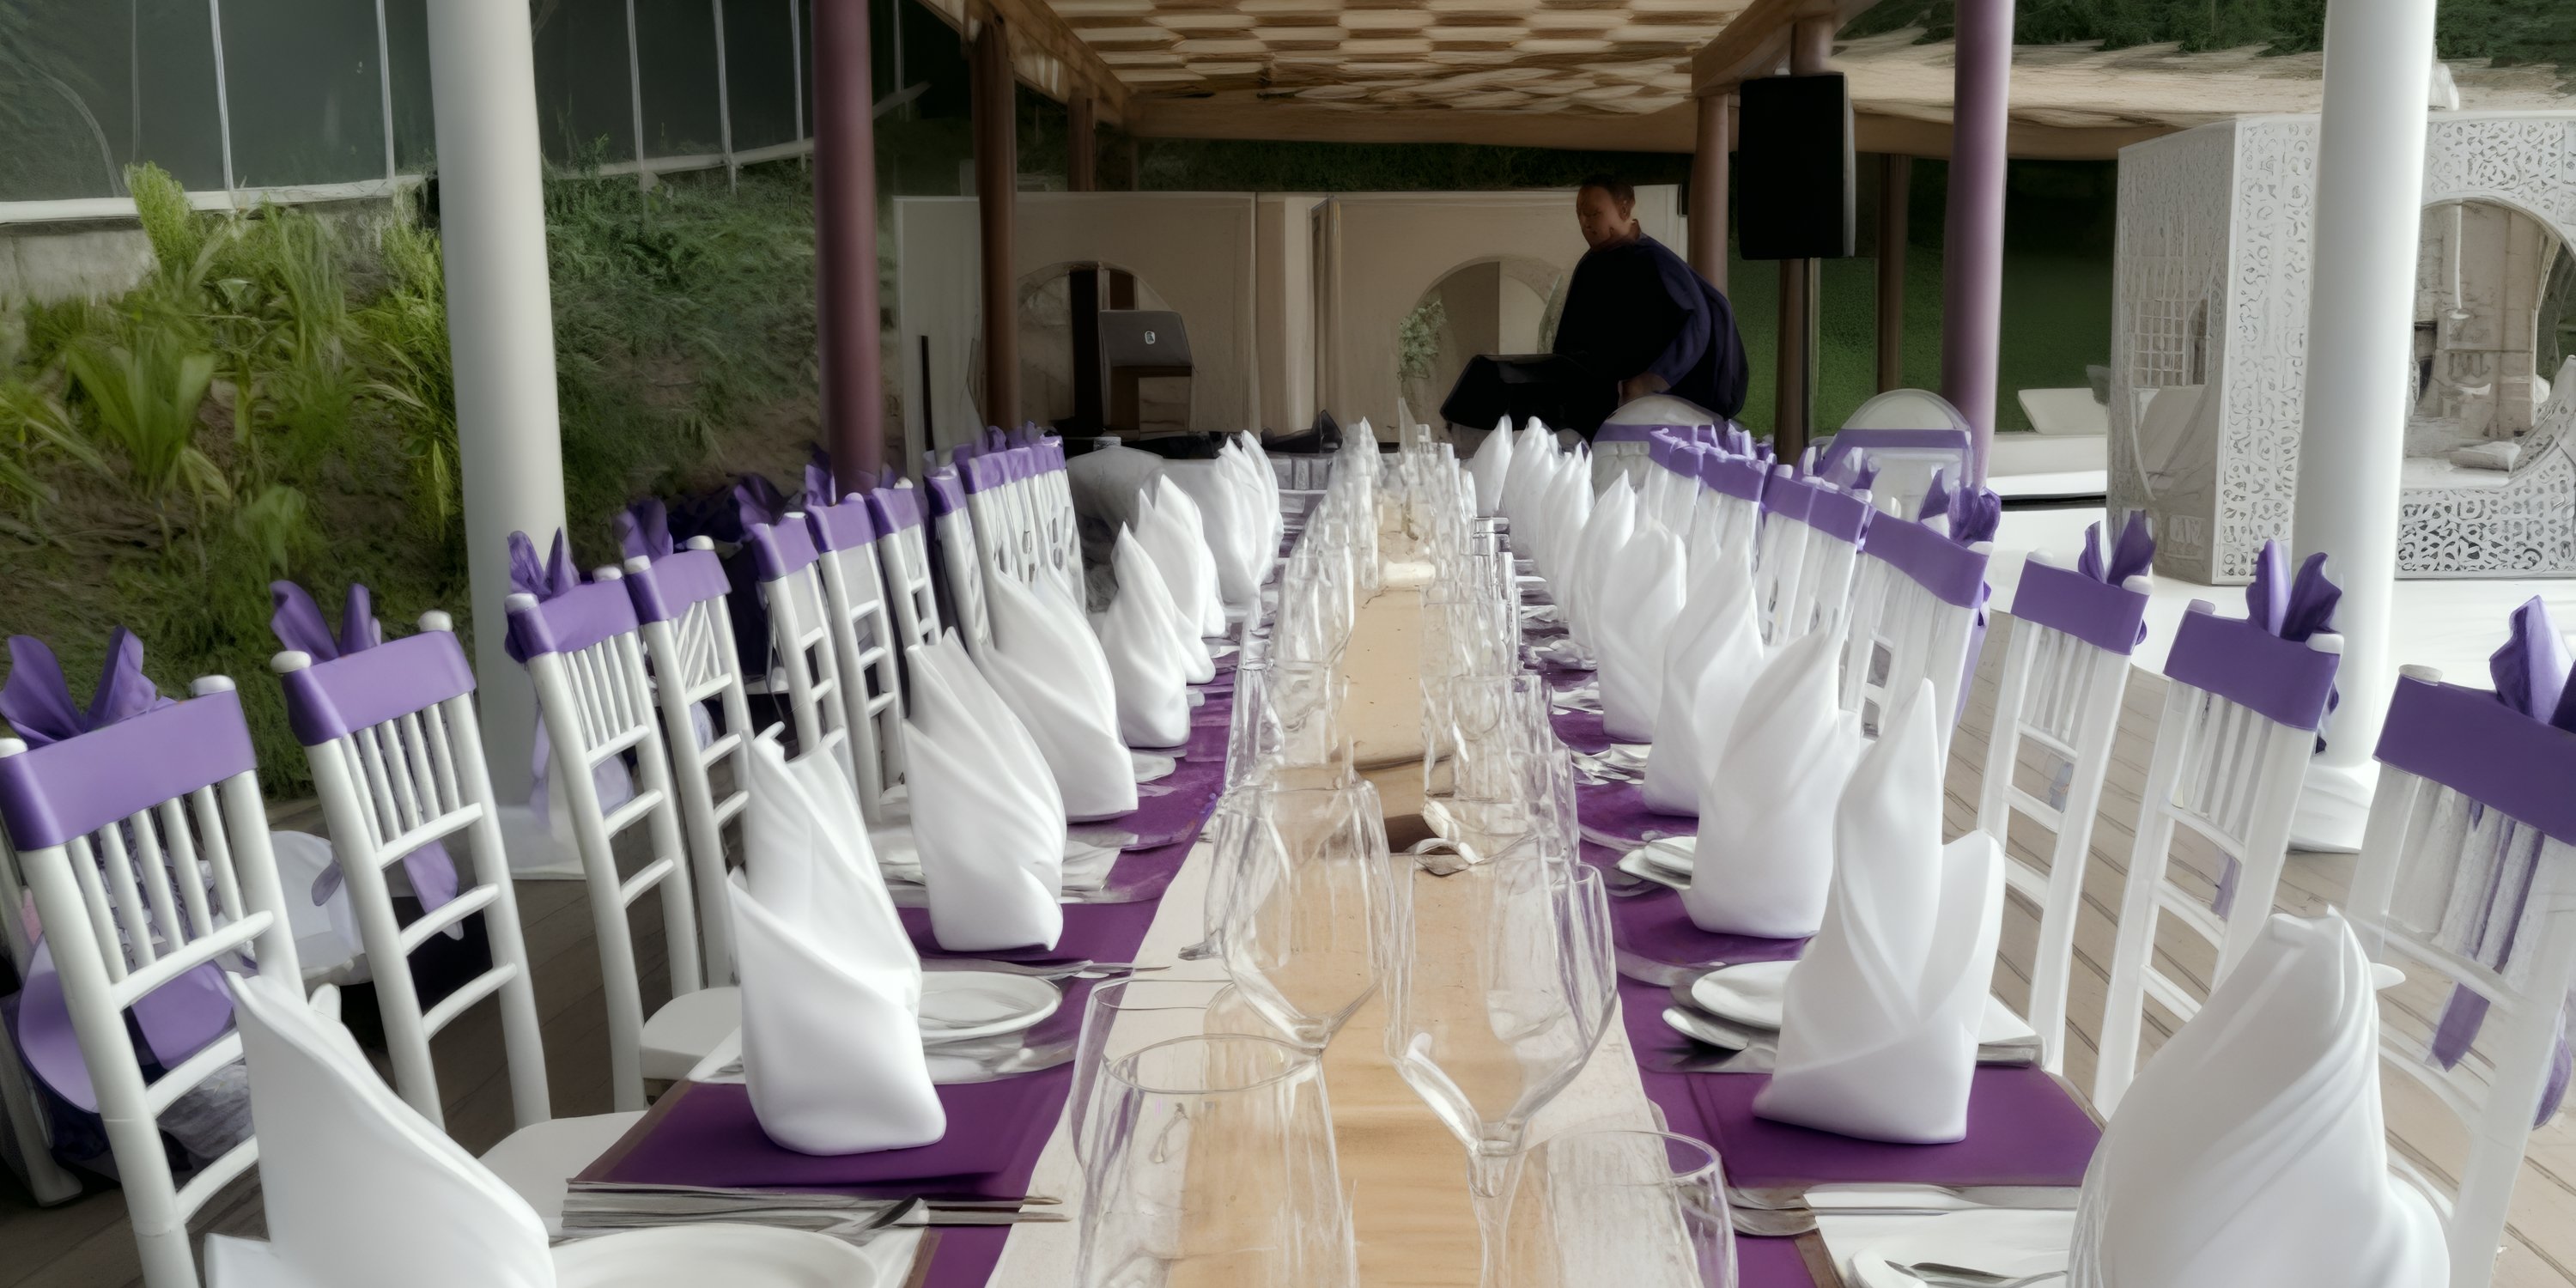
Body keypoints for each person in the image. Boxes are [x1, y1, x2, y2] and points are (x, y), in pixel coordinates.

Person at [1550, 174, 1749, 422]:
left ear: (1624, 209)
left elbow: (1698, 323)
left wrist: (1649, 381)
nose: (1584, 223)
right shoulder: (1589, 266)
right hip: (1596, 403)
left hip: (1650, 408)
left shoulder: (1654, 260)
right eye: (1579, 214)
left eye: (1593, 213)